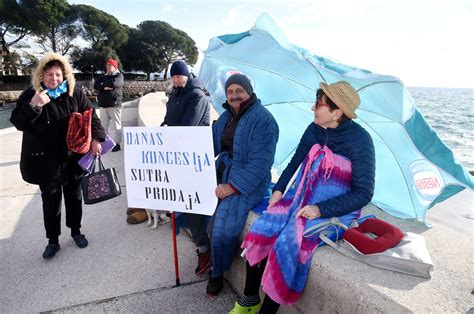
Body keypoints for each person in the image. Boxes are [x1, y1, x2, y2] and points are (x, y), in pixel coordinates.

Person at [228, 81, 376, 313]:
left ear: (337, 112)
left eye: (319, 104)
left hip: (332, 211)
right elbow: (295, 161)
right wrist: (280, 189)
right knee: (261, 229)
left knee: (286, 244)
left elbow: (364, 193)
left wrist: (320, 209)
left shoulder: (361, 141)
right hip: (299, 199)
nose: (313, 108)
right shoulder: (314, 128)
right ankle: (249, 301)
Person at [10, 53, 105, 260]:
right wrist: (34, 105)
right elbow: (18, 122)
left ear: (65, 75)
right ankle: (53, 241)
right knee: (50, 202)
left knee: (74, 197)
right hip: (46, 161)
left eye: (58, 74)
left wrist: (97, 139)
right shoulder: (31, 94)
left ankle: (76, 231)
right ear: (41, 75)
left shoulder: (75, 93)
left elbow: (92, 116)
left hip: (73, 158)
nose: (54, 79)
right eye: (49, 74)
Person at [207, 73, 279, 296]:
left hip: (249, 181)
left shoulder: (264, 120)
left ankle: (217, 273)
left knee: (224, 226)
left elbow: (261, 163)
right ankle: (206, 255)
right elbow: (209, 145)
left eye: (239, 91)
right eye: (230, 92)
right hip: (224, 173)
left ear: (249, 92)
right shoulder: (226, 116)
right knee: (205, 216)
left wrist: (233, 187)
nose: (234, 95)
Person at [161, 60, 211, 275]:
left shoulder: (197, 95)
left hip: (193, 156)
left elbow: (189, 127)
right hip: (177, 153)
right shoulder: (176, 92)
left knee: (191, 204)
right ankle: (201, 245)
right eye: (173, 77)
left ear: (186, 75)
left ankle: (204, 249)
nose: (175, 80)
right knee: (179, 200)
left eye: (178, 76)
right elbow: (169, 118)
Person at [94, 58, 123, 152]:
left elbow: (116, 83)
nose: (108, 67)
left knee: (116, 126)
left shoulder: (119, 75)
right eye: (107, 66)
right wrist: (104, 86)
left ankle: (117, 144)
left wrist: (103, 85)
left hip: (114, 105)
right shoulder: (103, 76)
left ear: (115, 67)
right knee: (103, 126)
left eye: (110, 66)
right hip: (103, 105)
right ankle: (104, 144)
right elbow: (96, 85)